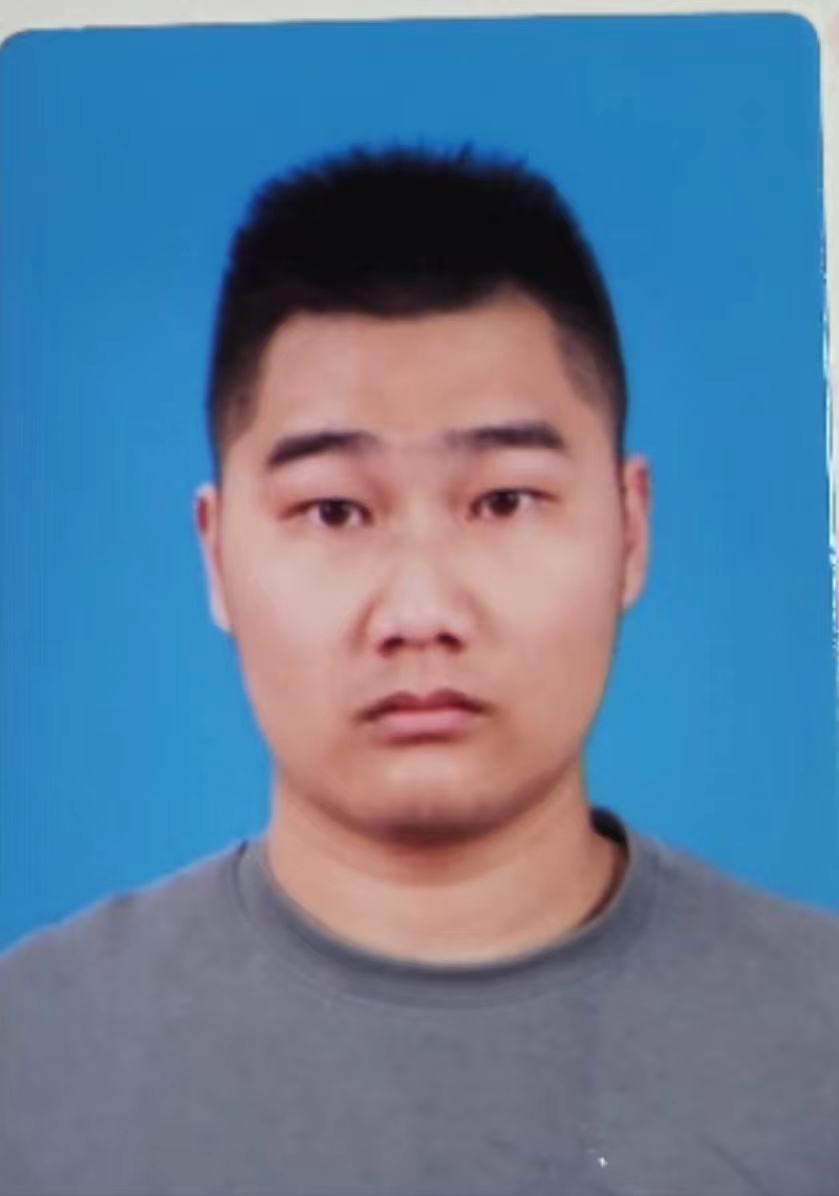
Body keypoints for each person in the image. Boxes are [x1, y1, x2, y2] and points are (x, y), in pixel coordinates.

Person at [1, 144, 837, 1196]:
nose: (421, 613)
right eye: (334, 510)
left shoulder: (819, 1041)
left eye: (502, 501)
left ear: (630, 530)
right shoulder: (30, 1057)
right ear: (215, 555)